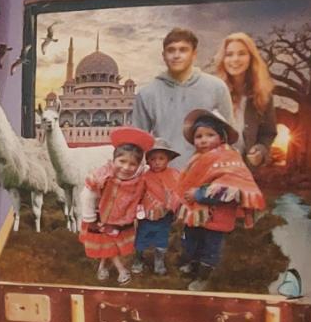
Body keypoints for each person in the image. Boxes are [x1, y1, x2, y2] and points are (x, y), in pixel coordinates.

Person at [175, 108, 264, 290]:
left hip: (217, 214)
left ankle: (203, 277)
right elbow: (188, 180)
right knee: (191, 240)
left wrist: (198, 194)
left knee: (211, 246)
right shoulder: (196, 159)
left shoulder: (229, 158)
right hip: (196, 213)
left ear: (221, 137)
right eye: (199, 136)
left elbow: (228, 188)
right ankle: (193, 263)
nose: (204, 139)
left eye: (210, 134)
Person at [129, 27, 227, 153]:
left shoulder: (217, 87)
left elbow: (230, 139)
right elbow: (137, 143)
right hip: (164, 169)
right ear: (163, 56)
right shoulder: (147, 94)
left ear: (194, 54)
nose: (176, 55)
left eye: (183, 50)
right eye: (171, 50)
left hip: (208, 170)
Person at [78, 125, 152, 286]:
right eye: (122, 161)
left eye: (132, 164)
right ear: (114, 160)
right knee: (109, 243)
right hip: (101, 216)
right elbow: (87, 195)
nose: (126, 168)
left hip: (123, 217)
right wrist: (90, 216)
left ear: (139, 165)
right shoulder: (103, 175)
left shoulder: (141, 177)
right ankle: (122, 270)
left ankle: (102, 266)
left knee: (110, 245)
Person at [213, 31, 278, 168]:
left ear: (251, 58)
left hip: (245, 171)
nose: (235, 59)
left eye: (242, 53)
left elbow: (268, 133)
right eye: (229, 54)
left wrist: (260, 150)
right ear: (223, 60)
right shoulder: (212, 91)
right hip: (214, 169)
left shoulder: (264, 94)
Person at [132, 139, 181, 277]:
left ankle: (159, 261)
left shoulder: (174, 174)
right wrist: (136, 209)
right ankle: (138, 259)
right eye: (153, 159)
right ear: (147, 161)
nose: (157, 162)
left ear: (168, 159)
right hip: (146, 215)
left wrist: (173, 205)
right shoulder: (144, 177)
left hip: (165, 215)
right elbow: (137, 194)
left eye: (161, 158)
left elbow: (178, 192)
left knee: (161, 239)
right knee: (142, 237)